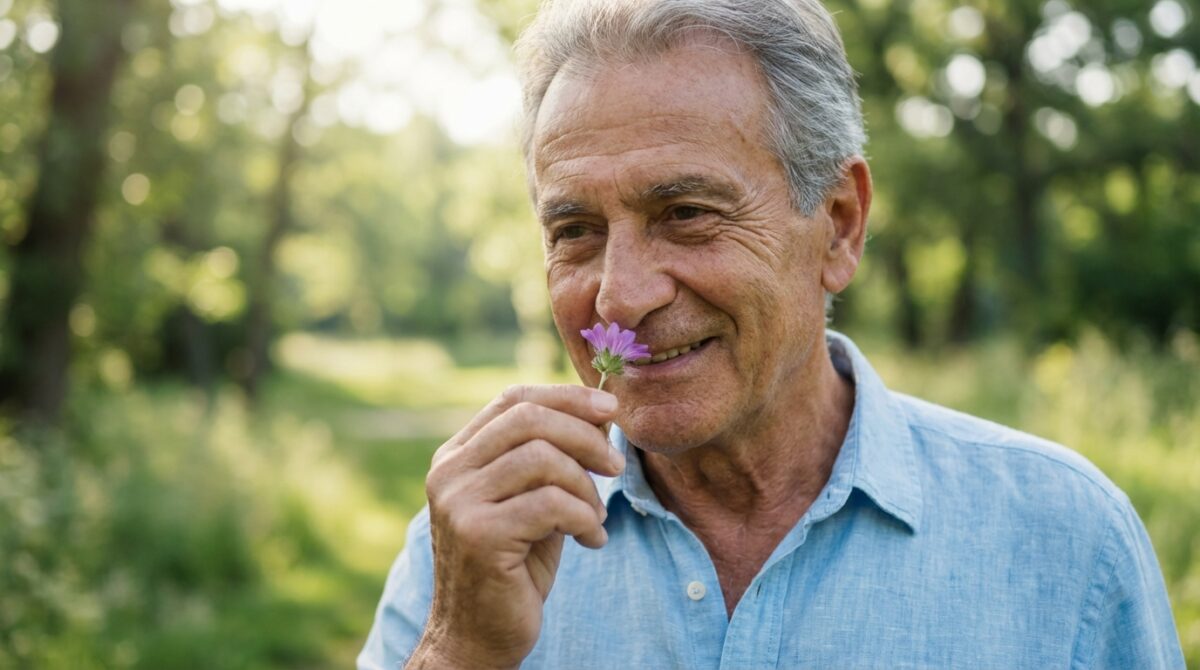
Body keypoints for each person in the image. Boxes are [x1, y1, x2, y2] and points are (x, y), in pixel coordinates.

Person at [359, 0, 1185, 667]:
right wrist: (457, 650)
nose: (619, 294)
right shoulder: (472, 544)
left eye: (685, 214)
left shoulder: (1065, 539)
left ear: (838, 226)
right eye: (575, 229)